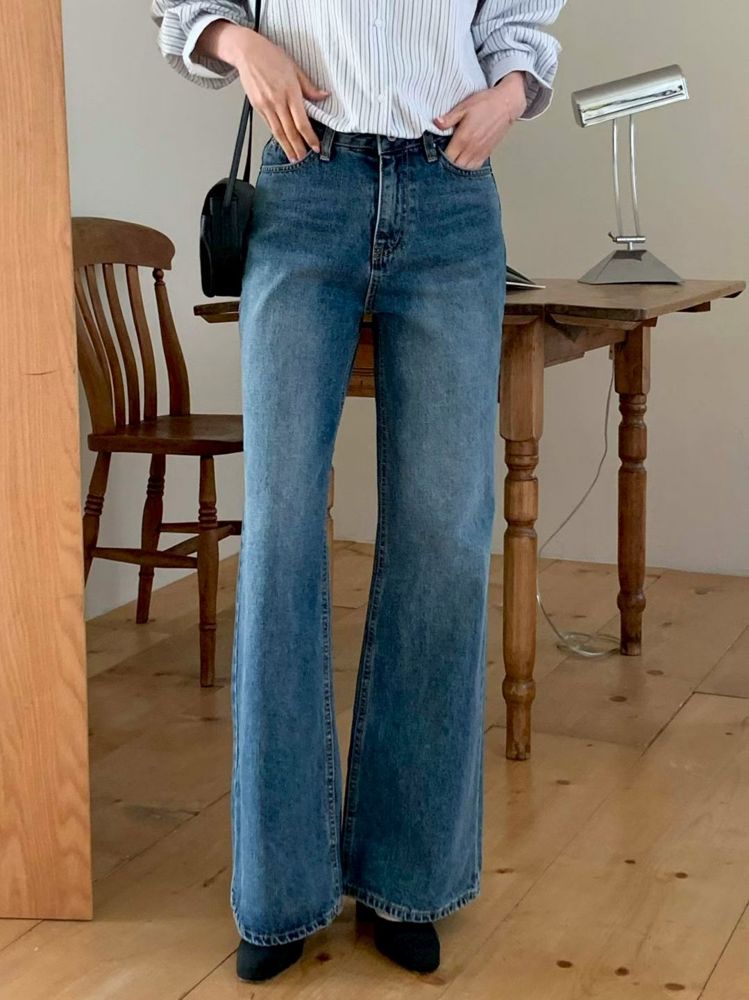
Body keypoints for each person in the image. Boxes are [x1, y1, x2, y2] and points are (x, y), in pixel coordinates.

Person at [151, 0, 565, 983]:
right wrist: (240, 44)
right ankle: (279, 887)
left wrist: (508, 94)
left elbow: (521, 18)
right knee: (282, 535)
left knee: (443, 537)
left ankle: (406, 877)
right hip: (306, 187)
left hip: (450, 194)